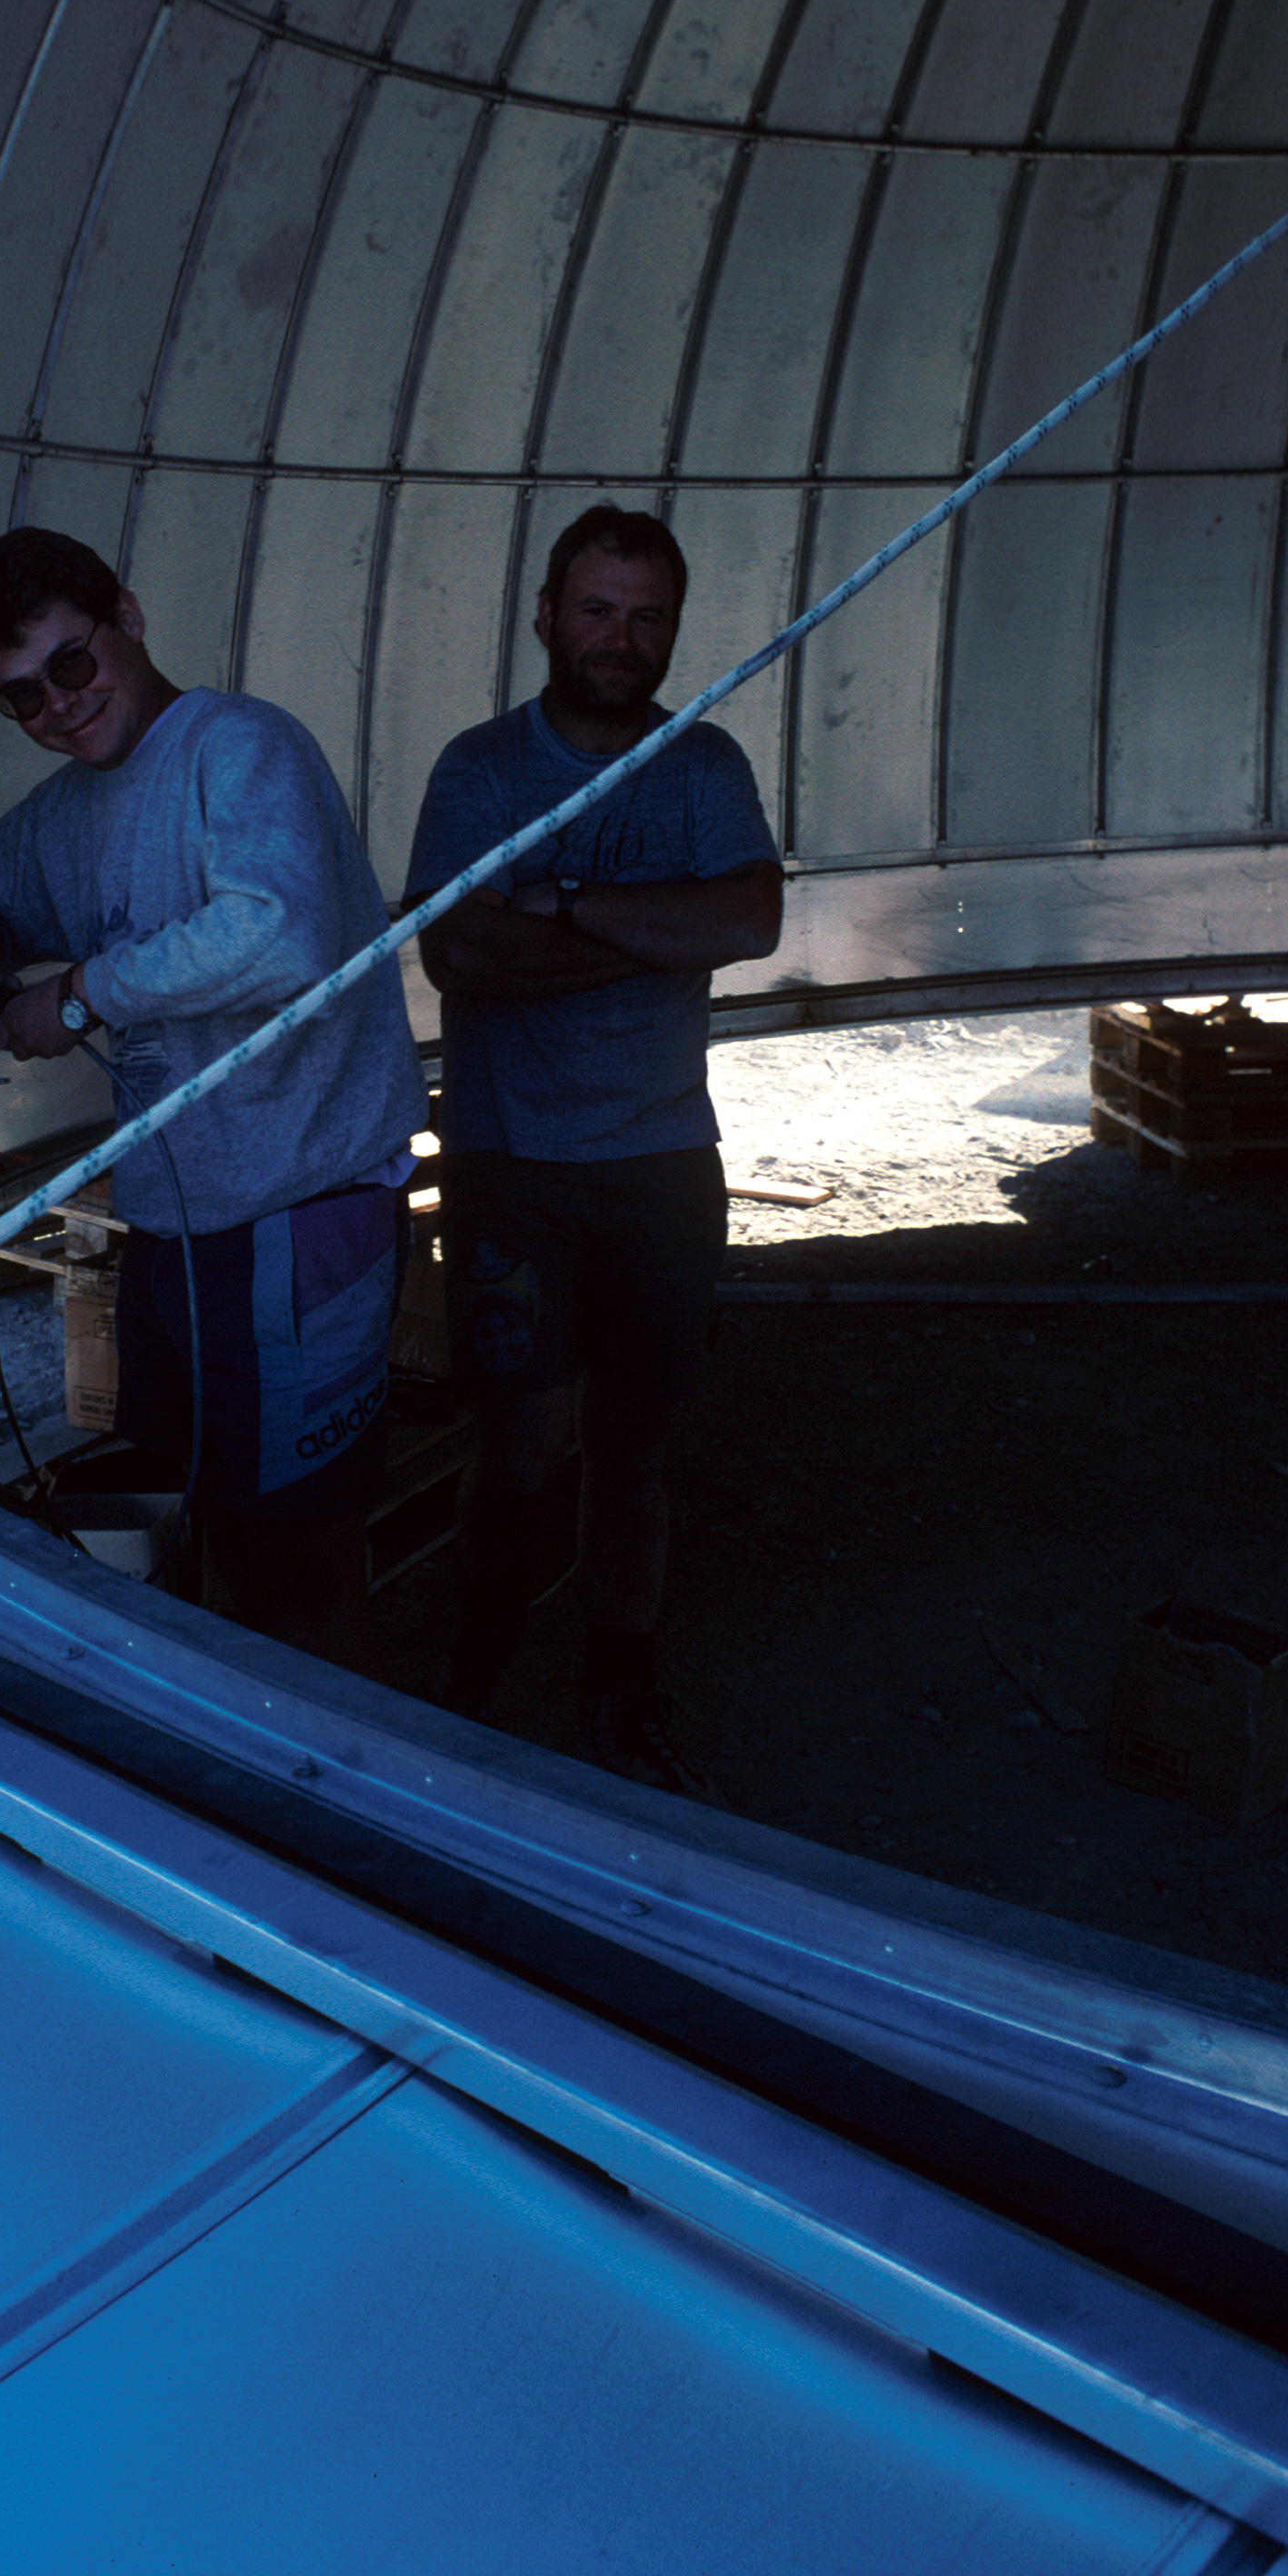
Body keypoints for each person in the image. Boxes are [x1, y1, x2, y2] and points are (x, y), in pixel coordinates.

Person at [0, 527, 426, 1664]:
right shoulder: (67, 812)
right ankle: (256, 1736)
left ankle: (335, 1758)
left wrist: (78, 995)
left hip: (300, 1215)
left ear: (129, 619)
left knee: (307, 1555)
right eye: (23, 694)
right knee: (216, 1518)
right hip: (175, 1227)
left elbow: (277, 931)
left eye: (72, 661)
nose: (60, 703)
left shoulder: (239, 747)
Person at [405, 503, 783, 1791]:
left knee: (631, 1444)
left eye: (646, 617)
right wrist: (653, 931)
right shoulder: (480, 770)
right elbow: (461, 952)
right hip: (512, 1166)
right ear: (546, 617)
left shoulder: (703, 764)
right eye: (597, 610)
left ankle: (620, 1677)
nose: (620, 638)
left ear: (672, 630)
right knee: (520, 1446)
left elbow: (747, 921)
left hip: (663, 1165)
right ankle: (480, 1657)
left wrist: (561, 900)